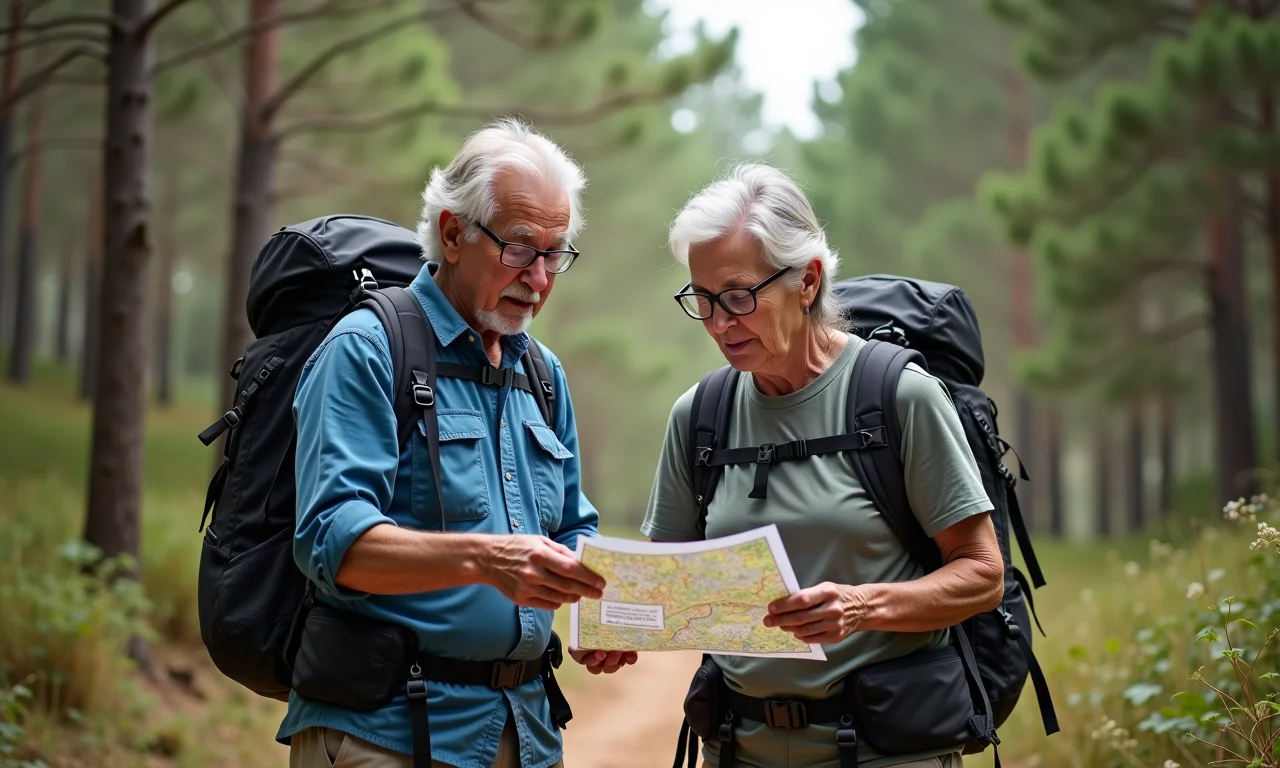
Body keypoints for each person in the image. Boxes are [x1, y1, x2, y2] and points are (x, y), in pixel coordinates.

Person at [278, 119, 633, 768]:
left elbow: (574, 525)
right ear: (452, 232)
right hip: (387, 732)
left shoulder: (542, 375)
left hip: (525, 735)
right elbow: (333, 539)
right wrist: (483, 558)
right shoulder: (368, 348)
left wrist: (595, 614)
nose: (542, 277)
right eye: (521, 249)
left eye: (557, 254)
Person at [640, 163, 1006, 768]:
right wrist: (621, 633)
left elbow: (983, 574)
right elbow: (668, 586)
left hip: (884, 752)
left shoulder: (900, 398)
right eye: (701, 300)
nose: (719, 323)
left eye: (737, 296)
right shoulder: (699, 416)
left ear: (807, 281)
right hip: (736, 749)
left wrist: (863, 605)